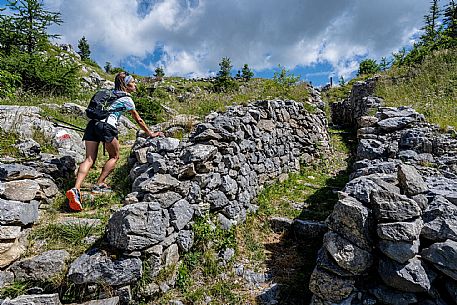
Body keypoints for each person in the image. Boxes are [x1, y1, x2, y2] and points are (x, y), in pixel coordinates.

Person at [66, 72, 162, 211]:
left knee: (89, 159)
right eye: (133, 82)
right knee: (115, 156)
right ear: (127, 85)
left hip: (92, 125)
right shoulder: (127, 99)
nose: (135, 85)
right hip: (107, 126)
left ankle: (76, 188)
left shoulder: (108, 94)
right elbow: (138, 120)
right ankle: (99, 184)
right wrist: (150, 133)